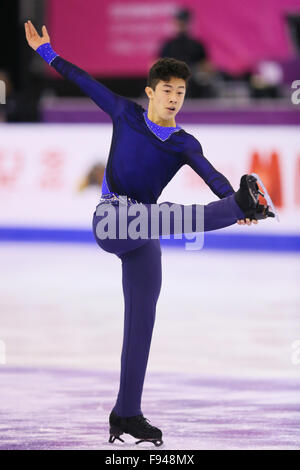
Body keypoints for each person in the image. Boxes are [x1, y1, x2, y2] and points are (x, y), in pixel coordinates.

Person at [25, 20, 274, 447]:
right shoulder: (125, 113)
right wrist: (47, 53)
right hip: (112, 220)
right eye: (168, 90)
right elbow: (84, 80)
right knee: (172, 216)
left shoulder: (184, 143)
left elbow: (212, 177)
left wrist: (232, 198)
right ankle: (239, 208)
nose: (175, 98)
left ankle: (126, 413)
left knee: (141, 325)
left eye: (181, 92)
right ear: (151, 91)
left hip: (145, 230)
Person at [158, 8, 216, 98]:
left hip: (194, 86)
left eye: (183, 21)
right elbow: (157, 66)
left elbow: (207, 66)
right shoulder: (168, 45)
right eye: (179, 21)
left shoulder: (196, 44)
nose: (181, 24)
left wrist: (201, 72)